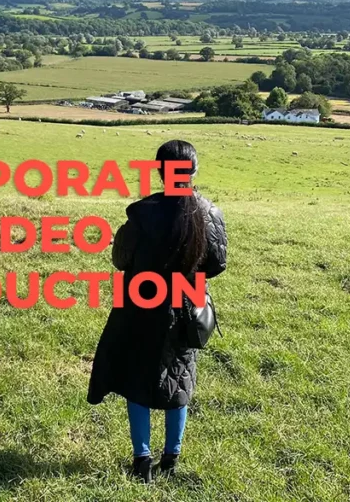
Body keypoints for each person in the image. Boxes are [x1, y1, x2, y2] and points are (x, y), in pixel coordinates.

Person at [87, 140, 227, 482]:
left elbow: (121, 259)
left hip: (139, 303)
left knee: (138, 380)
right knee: (179, 380)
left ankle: (142, 461)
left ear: (159, 172)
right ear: (194, 171)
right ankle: (171, 459)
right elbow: (218, 264)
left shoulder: (141, 212)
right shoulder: (210, 213)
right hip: (186, 306)